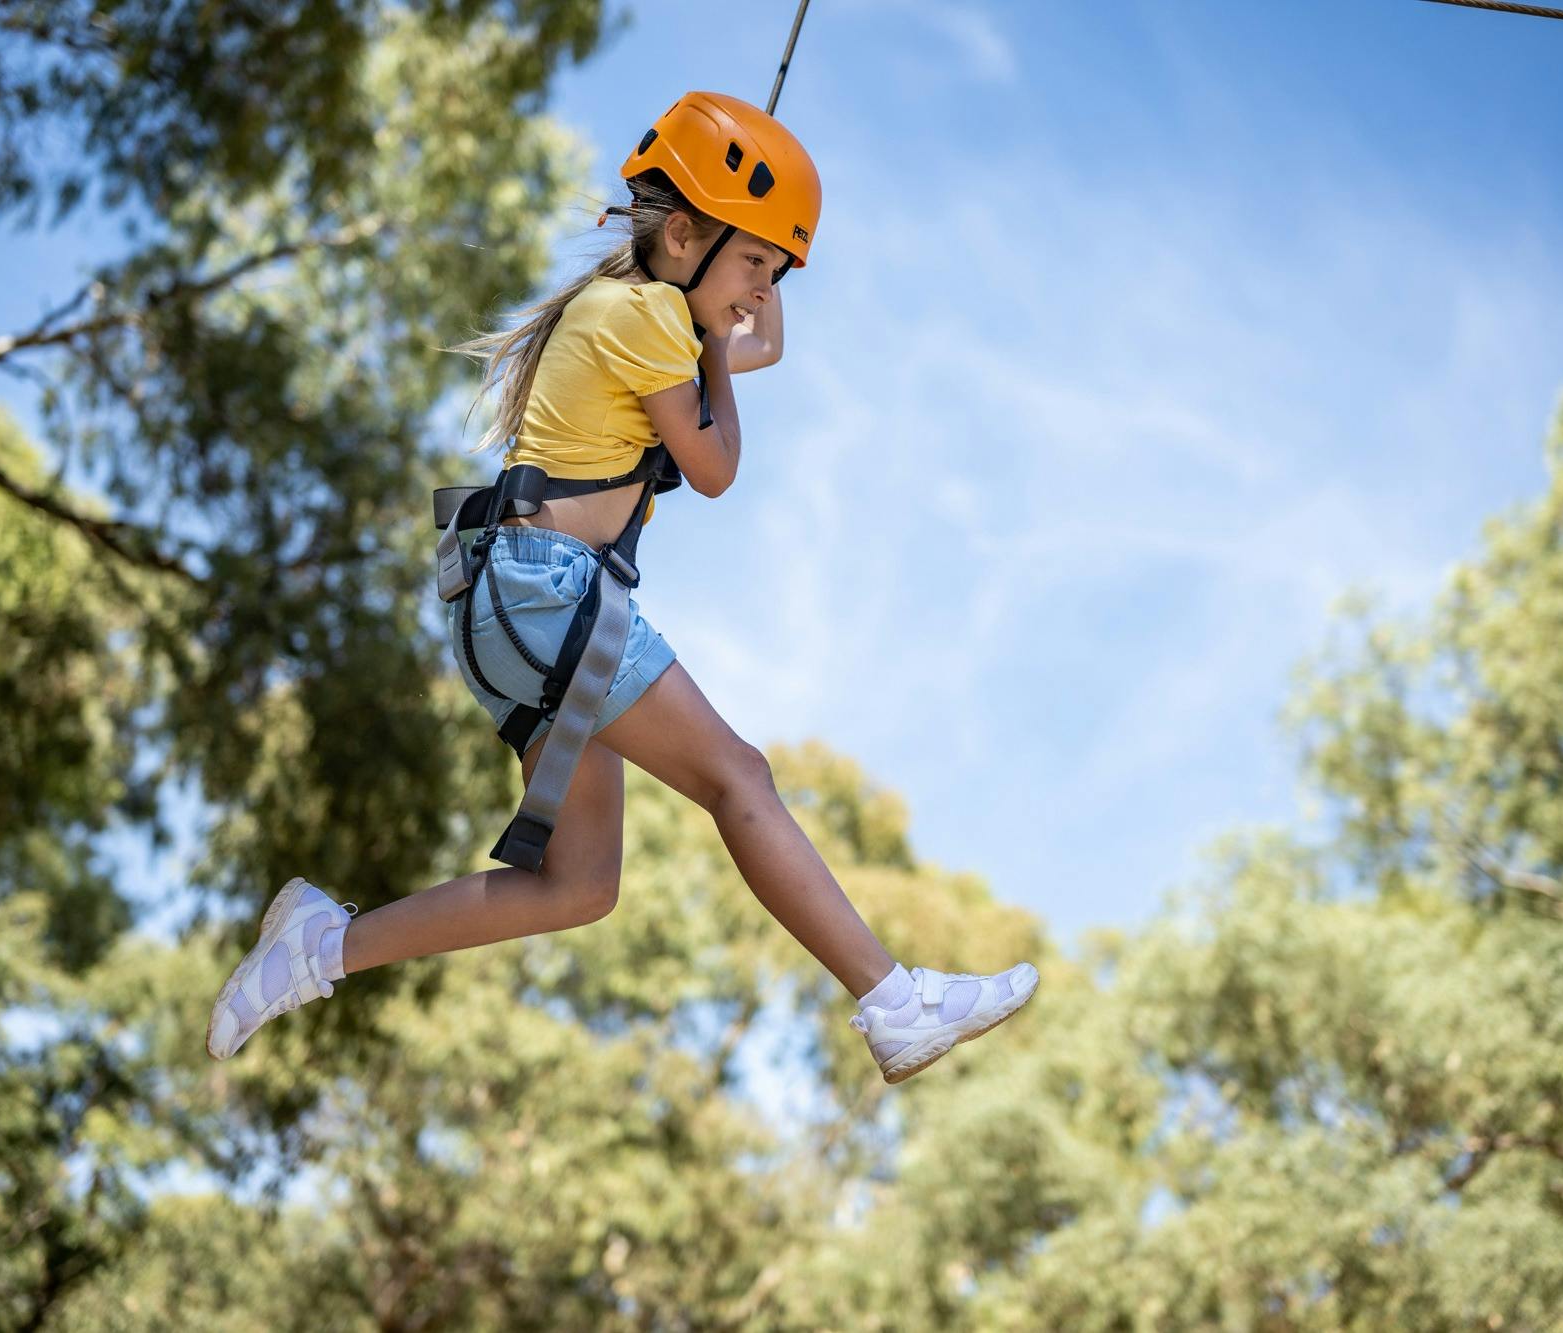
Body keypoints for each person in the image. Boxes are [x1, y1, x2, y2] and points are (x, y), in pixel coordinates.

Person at [207, 91, 1038, 1084]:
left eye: (771, 274)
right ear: (681, 233)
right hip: (546, 595)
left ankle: (320, 946)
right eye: (753, 266)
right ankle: (892, 1000)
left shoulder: (640, 315)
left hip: (507, 612)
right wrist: (716, 352)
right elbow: (717, 462)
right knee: (739, 777)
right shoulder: (645, 313)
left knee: (577, 885)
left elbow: (751, 346)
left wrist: (732, 308)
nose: (757, 291)